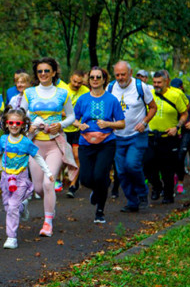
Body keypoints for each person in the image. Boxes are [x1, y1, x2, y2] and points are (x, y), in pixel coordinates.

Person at [17, 57, 77, 237]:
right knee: (37, 188)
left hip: (54, 145)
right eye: (40, 71)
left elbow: (71, 116)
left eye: (46, 71)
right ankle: (50, 205)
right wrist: (29, 125)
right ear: (37, 74)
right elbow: (21, 115)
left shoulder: (62, 93)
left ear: (53, 72)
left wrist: (61, 125)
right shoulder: (29, 93)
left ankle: (47, 222)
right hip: (35, 145)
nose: (43, 74)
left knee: (48, 183)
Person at [0, 107, 52, 249]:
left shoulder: (26, 142)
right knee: (7, 206)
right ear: (6, 124)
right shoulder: (4, 139)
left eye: (17, 123)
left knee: (12, 207)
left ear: (23, 124)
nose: (14, 126)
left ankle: (11, 237)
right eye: (11, 123)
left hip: (20, 179)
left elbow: (37, 157)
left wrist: (48, 172)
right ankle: (23, 207)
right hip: (5, 177)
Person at [74, 67, 125, 223]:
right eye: (92, 77)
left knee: (100, 175)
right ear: (88, 80)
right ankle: (100, 188)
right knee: (85, 179)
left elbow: (122, 123)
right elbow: (73, 118)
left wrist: (108, 124)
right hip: (86, 142)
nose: (95, 80)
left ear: (104, 80)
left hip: (106, 143)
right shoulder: (82, 99)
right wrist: (79, 125)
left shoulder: (112, 100)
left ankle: (100, 212)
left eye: (98, 77)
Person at [108, 61, 157, 212]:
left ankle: (142, 194)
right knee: (121, 171)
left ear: (130, 73)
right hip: (117, 136)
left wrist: (144, 122)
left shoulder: (140, 87)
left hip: (137, 134)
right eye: (117, 75)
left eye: (123, 74)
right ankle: (132, 202)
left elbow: (153, 107)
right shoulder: (110, 87)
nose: (120, 78)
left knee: (132, 165)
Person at [143, 70, 188, 204]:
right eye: (154, 82)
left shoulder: (175, 95)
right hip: (151, 136)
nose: (156, 85)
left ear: (166, 82)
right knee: (148, 164)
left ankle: (168, 194)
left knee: (167, 168)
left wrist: (177, 127)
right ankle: (157, 187)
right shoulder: (149, 95)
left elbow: (184, 114)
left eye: (159, 82)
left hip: (169, 137)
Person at [58, 70, 90, 197]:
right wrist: (72, 116)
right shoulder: (62, 90)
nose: (76, 84)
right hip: (64, 128)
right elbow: (58, 110)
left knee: (77, 156)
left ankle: (73, 185)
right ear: (70, 78)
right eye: (74, 81)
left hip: (78, 129)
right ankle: (58, 179)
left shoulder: (85, 91)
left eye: (79, 83)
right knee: (62, 158)